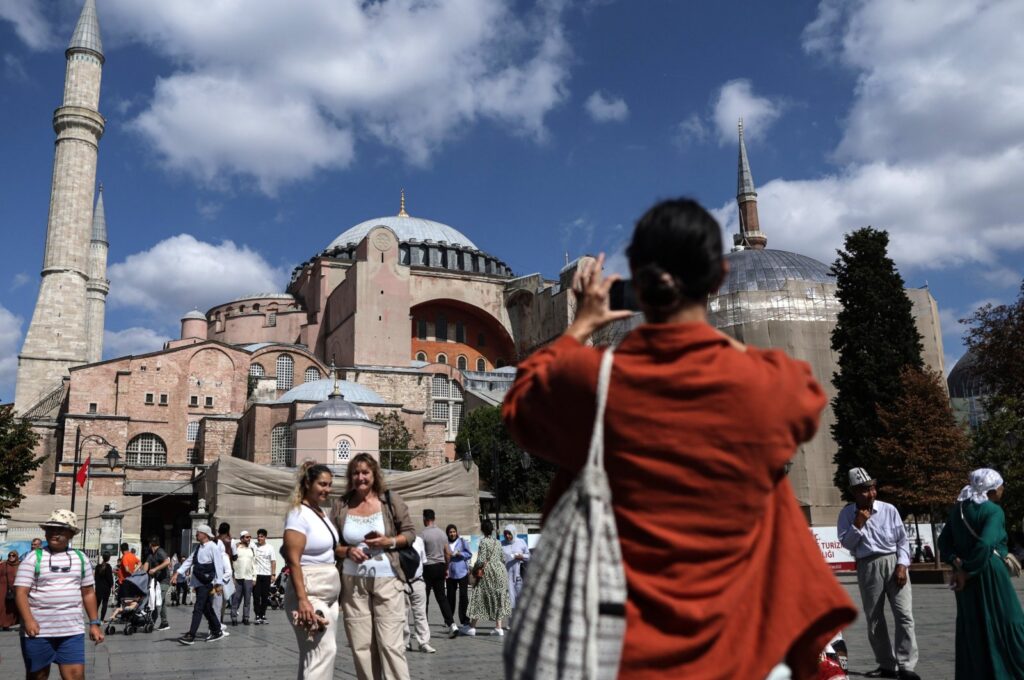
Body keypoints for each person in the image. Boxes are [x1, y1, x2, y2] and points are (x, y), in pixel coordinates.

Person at [502, 199, 857, 678]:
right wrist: (708, 327)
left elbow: (521, 401)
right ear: (716, 279)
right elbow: (807, 398)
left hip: (622, 650)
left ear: (640, 285)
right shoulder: (768, 384)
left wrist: (582, 324)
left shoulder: (596, 382)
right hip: (737, 647)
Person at [332, 453, 415, 680]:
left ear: (374, 474)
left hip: (387, 579)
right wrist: (348, 551)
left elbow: (409, 533)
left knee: (390, 645)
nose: (360, 477)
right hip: (353, 581)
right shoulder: (341, 504)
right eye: (356, 473)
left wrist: (388, 541)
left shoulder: (390, 500)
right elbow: (333, 545)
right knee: (362, 648)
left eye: (365, 472)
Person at [938, 468, 1024, 679]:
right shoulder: (993, 511)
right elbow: (986, 543)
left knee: (974, 624)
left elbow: (943, 542)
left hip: (964, 579)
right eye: (1000, 485)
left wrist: (957, 564)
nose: (1003, 489)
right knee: (1009, 620)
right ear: (992, 490)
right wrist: (968, 570)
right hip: (989, 573)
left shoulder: (958, 510)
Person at [838, 468, 919, 680]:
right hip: (867, 564)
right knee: (874, 618)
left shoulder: (888, 509)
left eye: (873, 488)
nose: (871, 493)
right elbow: (846, 543)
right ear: (854, 491)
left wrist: (902, 565)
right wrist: (858, 524)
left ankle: (906, 665)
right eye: (865, 490)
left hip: (893, 561)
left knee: (904, 615)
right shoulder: (847, 514)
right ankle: (886, 665)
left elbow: (902, 541)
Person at [14, 509, 103, 679]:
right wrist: (29, 620)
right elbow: (20, 593)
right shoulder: (33, 558)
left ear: (70, 533)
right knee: (37, 676)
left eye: (60, 530)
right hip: (38, 632)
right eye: (50, 529)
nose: (54, 533)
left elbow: (88, 593)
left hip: (72, 631)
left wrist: (94, 623)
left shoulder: (81, 558)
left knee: (75, 676)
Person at [283, 462, 344, 680]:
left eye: (329, 485)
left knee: (313, 654)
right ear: (308, 483)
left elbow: (330, 549)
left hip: (329, 595)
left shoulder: (320, 512)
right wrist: (303, 600)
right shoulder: (298, 514)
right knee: (323, 651)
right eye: (322, 484)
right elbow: (293, 560)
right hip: (310, 593)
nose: (327, 489)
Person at [172, 524, 228, 645]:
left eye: (198, 532)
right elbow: (189, 561)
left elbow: (219, 565)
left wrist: (219, 583)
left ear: (205, 534)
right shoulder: (198, 548)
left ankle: (191, 635)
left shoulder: (213, 547)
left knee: (198, 608)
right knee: (207, 609)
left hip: (207, 584)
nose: (196, 534)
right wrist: (177, 573)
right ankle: (217, 630)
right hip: (198, 583)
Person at [460, 519, 510, 636]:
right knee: (498, 598)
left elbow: (481, 560)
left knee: (479, 596)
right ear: (492, 529)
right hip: (500, 571)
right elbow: (503, 558)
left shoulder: (483, 542)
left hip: (488, 572)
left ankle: (472, 627)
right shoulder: (498, 542)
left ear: (482, 529)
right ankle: (499, 627)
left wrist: (474, 569)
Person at [420, 508, 456, 637]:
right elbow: (448, 553)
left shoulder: (423, 534)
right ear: (434, 519)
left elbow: (420, 554)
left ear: (425, 519)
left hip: (427, 568)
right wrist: (446, 567)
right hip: (440, 567)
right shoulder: (442, 534)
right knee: (442, 597)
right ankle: (452, 624)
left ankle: (424, 627)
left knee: (424, 598)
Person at [404, 534, 435, 654]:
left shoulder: (419, 540)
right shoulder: (395, 540)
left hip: (418, 581)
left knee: (421, 613)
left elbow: (423, 561)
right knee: (402, 614)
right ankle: (405, 642)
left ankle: (424, 642)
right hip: (401, 581)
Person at [445, 524, 472, 630]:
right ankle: (449, 620)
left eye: (454, 531)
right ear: (447, 533)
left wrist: (460, 554)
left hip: (462, 572)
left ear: (456, 532)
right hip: (450, 573)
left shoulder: (462, 541)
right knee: (450, 597)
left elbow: (469, 554)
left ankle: (465, 620)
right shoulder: (445, 542)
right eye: (450, 532)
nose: (452, 534)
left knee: (463, 596)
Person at [144, 536, 171, 631]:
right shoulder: (151, 554)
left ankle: (151, 622)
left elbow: (167, 561)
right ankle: (164, 623)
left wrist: (155, 569)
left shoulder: (160, 551)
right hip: (156, 581)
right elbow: (146, 565)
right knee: (162, 601)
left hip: (164, 580)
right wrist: (141, 575)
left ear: (151, 544)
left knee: (157, 600)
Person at [500, 524, 530, 611]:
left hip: (519, 576)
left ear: (513, 533)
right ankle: (511, 623)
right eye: (505, 534)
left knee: (520, 600)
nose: (507, 536)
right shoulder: (501, 544)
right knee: (510, 601)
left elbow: (529, 556)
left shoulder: (521, 542)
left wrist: (522, 556)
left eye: (509, 533)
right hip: (507, 577)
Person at [231, 530, 256, 625]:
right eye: (247, 537)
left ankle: (246, 618)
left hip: (248, 577)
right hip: (238, 577)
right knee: (236, 598)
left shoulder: (251, 549)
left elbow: (254, 564)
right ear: (241, 538)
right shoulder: (236, 548)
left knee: (247, 599)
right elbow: (232, 562)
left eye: (250, 537)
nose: (249, 539)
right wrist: (232, 576)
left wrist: (254, 578)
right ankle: (234, 618)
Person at [252, 528, 276, 624]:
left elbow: (273, 561)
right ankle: (257, 615)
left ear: (265, 537)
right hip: (256, 575)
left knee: (265, 596)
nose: (259, 538)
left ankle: (263, 615)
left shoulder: (270, 547)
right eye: (258, 536)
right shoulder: (253, 545)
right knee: (256, 596)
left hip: (267, 575)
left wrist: (273, 574)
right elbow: (241, 544)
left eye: (261, 536)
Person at [1, 550, 20, 630]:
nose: (11, 557)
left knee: (15, 607)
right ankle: (4, 624)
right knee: (3, 607)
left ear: (16, 556)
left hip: (17, 588)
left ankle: (16, 623)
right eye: (9, 555)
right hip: (4, 589)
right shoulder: (3, 565)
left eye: (13, 555)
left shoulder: (20, 565)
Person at [93, 553, 114, 622]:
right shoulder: (108, 567)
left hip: (98, 588)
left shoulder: (97, 567)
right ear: (109, 558)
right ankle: (102, 619)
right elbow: (110, 579)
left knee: (97, 604)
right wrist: (112, 586)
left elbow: (95, 577)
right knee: (105, 603)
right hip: (106, 588)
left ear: (102, 557)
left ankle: (94, 619)